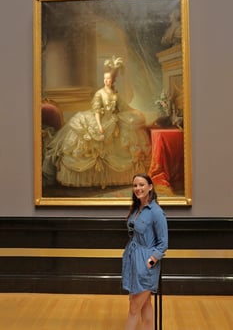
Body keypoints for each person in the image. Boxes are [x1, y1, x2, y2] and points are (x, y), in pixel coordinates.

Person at [42, 57, 151, 189]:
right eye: (105, 80)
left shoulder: (116, 95)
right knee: (89, 136)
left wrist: (133, 114)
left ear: (113, 81)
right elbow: (97, 111)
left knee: (127, 131)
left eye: (110, 80)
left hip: (114, 120)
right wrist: (99, 125)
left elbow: (123, 108)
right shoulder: (99, 94)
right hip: (99, 119)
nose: (107, 82)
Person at [122, 173, 168, 330]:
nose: (138, 188)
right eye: (135, 185)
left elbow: (163, 243)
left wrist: (150, 262)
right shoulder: (136, 208)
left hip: (145, 263)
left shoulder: (156, 212)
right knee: (145, 304)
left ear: (150, 187)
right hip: (133, 261)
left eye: (141, 185)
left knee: (134, 306)